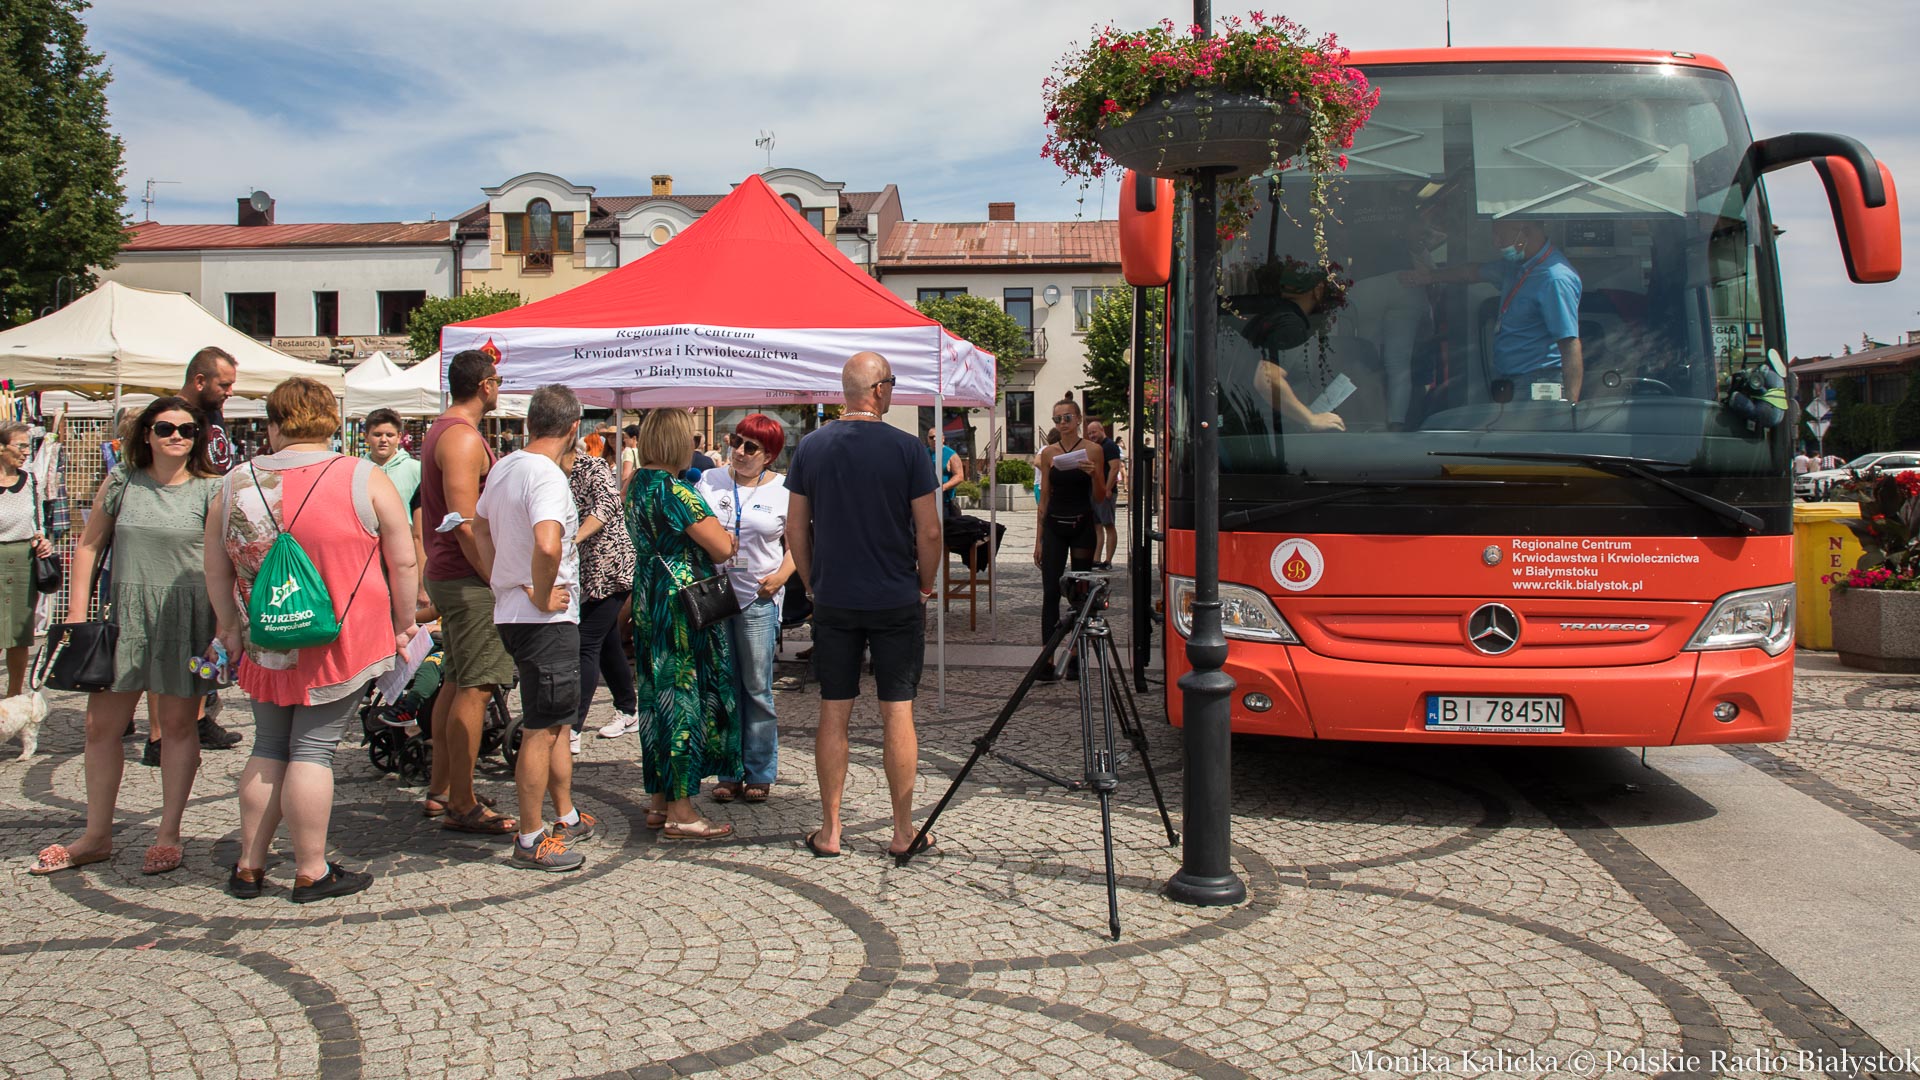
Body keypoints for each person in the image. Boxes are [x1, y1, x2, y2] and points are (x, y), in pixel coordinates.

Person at [205, 378, 418, 902]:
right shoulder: (362, 476)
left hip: (267, 636)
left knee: (269, 745)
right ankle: (311, 869)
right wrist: (404, 622)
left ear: (274, 422)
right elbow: (404, 557)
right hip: (339, 639)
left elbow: (213, 564)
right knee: (313, 751)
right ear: (330, 420)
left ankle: (249, 865)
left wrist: (228, 627)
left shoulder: (234, 482)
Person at [31, 398, 223, 877]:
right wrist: (77, 616)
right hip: (123, 619)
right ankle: (97, 834)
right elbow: (90, 544)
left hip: (185, 621)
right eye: (165, 427)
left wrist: (223, 628)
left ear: (198, 436)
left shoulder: (212, 491)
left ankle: (168, 832)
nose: (176, 435)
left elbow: (224, 563)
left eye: (187, 428)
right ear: (146, 434)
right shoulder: (121, 482)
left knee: (178, 728)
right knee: (101, 727)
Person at [786, 352, 940, 858]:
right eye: (891, 384)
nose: (893, 391)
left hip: (835, 597)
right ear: (877, 390)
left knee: (834, 710)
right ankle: (902, 830)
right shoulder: (907, 449)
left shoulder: (811, 448)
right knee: (898, 712)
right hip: (895, 596)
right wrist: (924, 586)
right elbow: (930, 529)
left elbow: (795, 529)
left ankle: (830, 830)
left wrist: (811, 583)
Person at [476, 384, 593, 871]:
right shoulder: (546, 475)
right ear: (573, 429)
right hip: (543, 619)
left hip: (515, 612)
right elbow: (548, 543)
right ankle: (530, 837)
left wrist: (501, 579)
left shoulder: (505, 465)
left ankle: (563, 814)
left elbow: (479, 528)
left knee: (558, 723)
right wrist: (540, 591)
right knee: (543, 728)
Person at [625, 407, 739, 840]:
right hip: (681, 604)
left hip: (649, 597)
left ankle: (659, 799)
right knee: (683, 697)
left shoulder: (636, 485)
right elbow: (721, 546)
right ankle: (683, 810)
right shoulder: (677, 490)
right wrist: (729, 538)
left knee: (655, 698)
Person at [418, 350, 517, 835]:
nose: (499, 388)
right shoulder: (459, 437)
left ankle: (444, 788)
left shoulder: (449, 431)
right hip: (467, 576)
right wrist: (495, 576)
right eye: (497, 381)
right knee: (475, 687)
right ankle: (461, 800)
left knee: (457, 682)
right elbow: (463, 523)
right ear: (485, 385)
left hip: (455, 574)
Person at [697, 414, 793, 803]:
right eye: (735, 441)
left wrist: (780, 578)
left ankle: (759, 770)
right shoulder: (711, 481)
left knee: (756, 688)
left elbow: (799, 545)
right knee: (724, 686)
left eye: (749, 447)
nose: (738, 451)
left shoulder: (784, 490)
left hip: (758, 598)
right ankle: (728, 771)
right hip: (718, 598)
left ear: (768, 455)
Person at [1405, 219, 1583, 403]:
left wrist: (1570, 407)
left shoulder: (1554, 278)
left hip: (1539, 381)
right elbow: (1472, 272)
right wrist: (1431, 276)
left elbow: (1569, 343)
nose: (1496, 242)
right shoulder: (1517, 266)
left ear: (1524, 232)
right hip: (1510, 378)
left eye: (1500, 235)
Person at [178, 346, 246, 754]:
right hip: (187, 539)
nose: (230, 392)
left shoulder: (213, 416)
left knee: (212, 632)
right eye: (224, 384)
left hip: (215, 532)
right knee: (182, 637)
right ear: (200, 381)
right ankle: (161, 731)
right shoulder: (175, 419)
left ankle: (202, 712)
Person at [562, 437, 641, 747]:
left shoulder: (592, 467)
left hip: (611, 570)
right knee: (607, 642)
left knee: (586, 643)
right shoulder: (550, 474)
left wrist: (573, 540)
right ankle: (628, 709)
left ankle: (572, 728)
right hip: (582, 571)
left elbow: (607, 505)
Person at [1033, 397, 1108, 682]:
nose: (1062, 424)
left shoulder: (1093, 450)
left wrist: (1095, 475)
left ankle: (1076, 654)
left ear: (1078, 420)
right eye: (1057, 420)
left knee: (1080, 593)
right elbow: (1045, 497)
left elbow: (1100, 497)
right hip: (1054, 524)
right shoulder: (1049, 453)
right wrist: (1038, 540)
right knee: (1050, 591)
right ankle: (1047, 658)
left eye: (1066, 418)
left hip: (1082, 523)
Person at [0, 423, 56, 698]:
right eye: (20, 446)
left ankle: (13, 699)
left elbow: (38, 521)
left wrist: (42, 539)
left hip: (24, 561)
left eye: (28, 446)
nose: (26, 452)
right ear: (1, 448)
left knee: (20, 634)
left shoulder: (30, 480)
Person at [1085, 419, 1125, 570]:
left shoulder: (1110, 446)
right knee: (1097, 526)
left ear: (1102, 430)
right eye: (1089, 433)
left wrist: (1107, 489)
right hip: (1095, 492)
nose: (1092, 435)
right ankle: (1096, 559)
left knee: (1108, 525)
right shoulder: (1097, 447)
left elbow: (1115, 468)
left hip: (1105, 493)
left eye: (1094, 432)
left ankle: (1108, 561)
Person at [362, 408, 421, 508]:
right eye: (377, 435)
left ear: (399, 437)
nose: (383, 440)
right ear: (366, 437)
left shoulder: (417, 469)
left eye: (389, 435)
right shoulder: (356, 471)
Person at [928, 427, 965, 518]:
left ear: (943, 439)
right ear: (927, 439)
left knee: (946, 529)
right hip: (927, 501)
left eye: (937, 437)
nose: (934, 440)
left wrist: (942, 488)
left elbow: (959, 476)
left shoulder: (951, 454)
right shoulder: (924, 453)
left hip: (946, 501)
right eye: (931, 437)